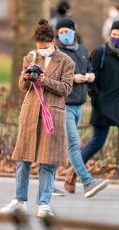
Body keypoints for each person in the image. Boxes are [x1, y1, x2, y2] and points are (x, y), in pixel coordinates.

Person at [0, 19, 75, 217]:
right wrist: (25, 77)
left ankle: (44, 204)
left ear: (52, 41)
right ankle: (19, 200)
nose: (41, 51)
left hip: (52, 115)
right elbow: (22, 87)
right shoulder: (30, 57)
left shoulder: (66, 61)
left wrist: (46, 81)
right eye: (38, 48)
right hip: (31, 113)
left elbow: (67, 88)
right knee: (22, 160)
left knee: (48, 162)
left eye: (45, 47)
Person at [53, 17, 109, 197]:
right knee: (74, 145)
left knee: (60, 145)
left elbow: (89, 67)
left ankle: (47, 184)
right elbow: (52, 78)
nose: (64, 35)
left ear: (73, 31)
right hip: (63, 105)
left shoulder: (83, 50)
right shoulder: (56, 53)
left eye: (66, 31)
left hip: (78, 105)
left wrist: (90, 75)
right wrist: (72, 79)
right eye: (60, 33)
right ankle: (87, 182)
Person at [65, 20, 119, 194]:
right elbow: (91, 77)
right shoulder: (100, 52)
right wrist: (97, 99)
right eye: (114, 34)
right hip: (103, 105)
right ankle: (72, 173)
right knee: (97, 141)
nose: (116, 37)